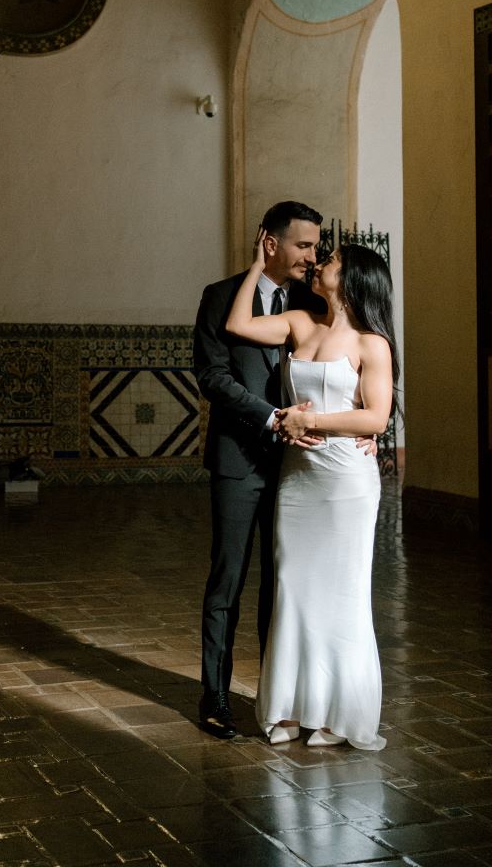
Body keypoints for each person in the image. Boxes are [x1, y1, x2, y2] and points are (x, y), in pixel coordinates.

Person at [225, 231, 398, 750]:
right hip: (299, 480)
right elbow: (237, 324)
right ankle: (290, 708)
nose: (323, 262)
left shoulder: (373, 344)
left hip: (346, 481)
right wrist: (257, 266)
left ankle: (333, 715)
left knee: (342, 594)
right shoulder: (301, 323)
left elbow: (377, 415)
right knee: (294, 587)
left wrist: (311, 420)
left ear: (354, 280)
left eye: (335, 260)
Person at [194, 200, 326, 738]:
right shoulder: (221, 298)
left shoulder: (314, 302)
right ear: (269, 242)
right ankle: (215, 697)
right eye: (303, 245)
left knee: (283, 584)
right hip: (237, 460)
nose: (312, 257)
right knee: (228, 579)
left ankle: (276, 698)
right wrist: (273, 418)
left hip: (297, 467)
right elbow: (213, 377)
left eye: (316, 246)